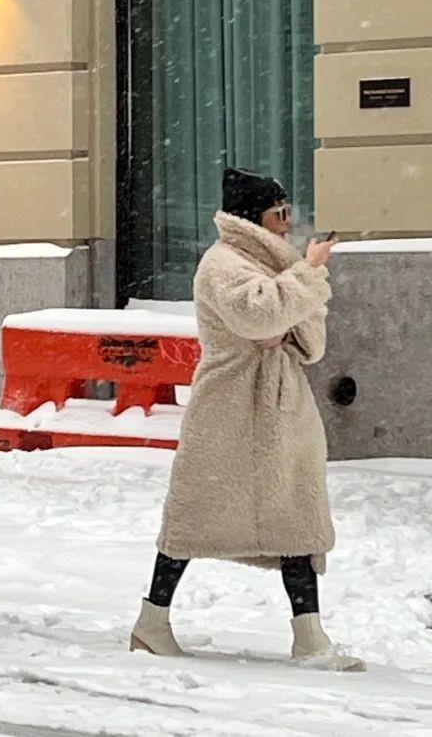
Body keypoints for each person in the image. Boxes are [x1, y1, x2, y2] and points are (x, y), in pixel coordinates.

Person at [130, 168, 364, 671]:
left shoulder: (276, 265)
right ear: (252, 216)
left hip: (282, 406)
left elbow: (310, 344)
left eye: (288, 212)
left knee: (297, 516)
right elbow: (260, 318)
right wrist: (301, 281)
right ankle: (152, 623)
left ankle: (311, 639)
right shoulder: (222, 263)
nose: (288, 223)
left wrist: (294, 295)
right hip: (229, 407)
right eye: (280, 214)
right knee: (194, 518)